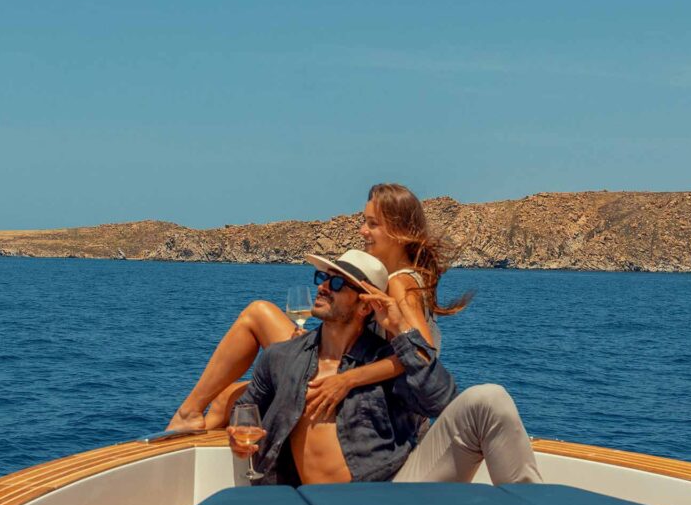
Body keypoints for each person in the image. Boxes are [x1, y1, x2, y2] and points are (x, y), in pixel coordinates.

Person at [167, 183, 469, 432]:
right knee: (227, 397)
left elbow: (421, 355)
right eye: (364, 222)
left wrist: (345, 380)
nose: (363, 231)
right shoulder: (397, 278)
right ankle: (187, 429)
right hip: (360, 376)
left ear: (400, 232)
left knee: (255, 318)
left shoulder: (401, 283)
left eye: (373, 224)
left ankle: (186, 417)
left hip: (377, 398)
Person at [227, 250, 541, 486]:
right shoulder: (281, 357)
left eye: (337, 283)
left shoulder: (387, 361)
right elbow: (246, 409)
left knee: (489, 399)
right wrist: (238, 437)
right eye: (322, 278)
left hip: (389, 494)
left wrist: (402, 330)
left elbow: (443, 402)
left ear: (365, 305)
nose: (323, 287)